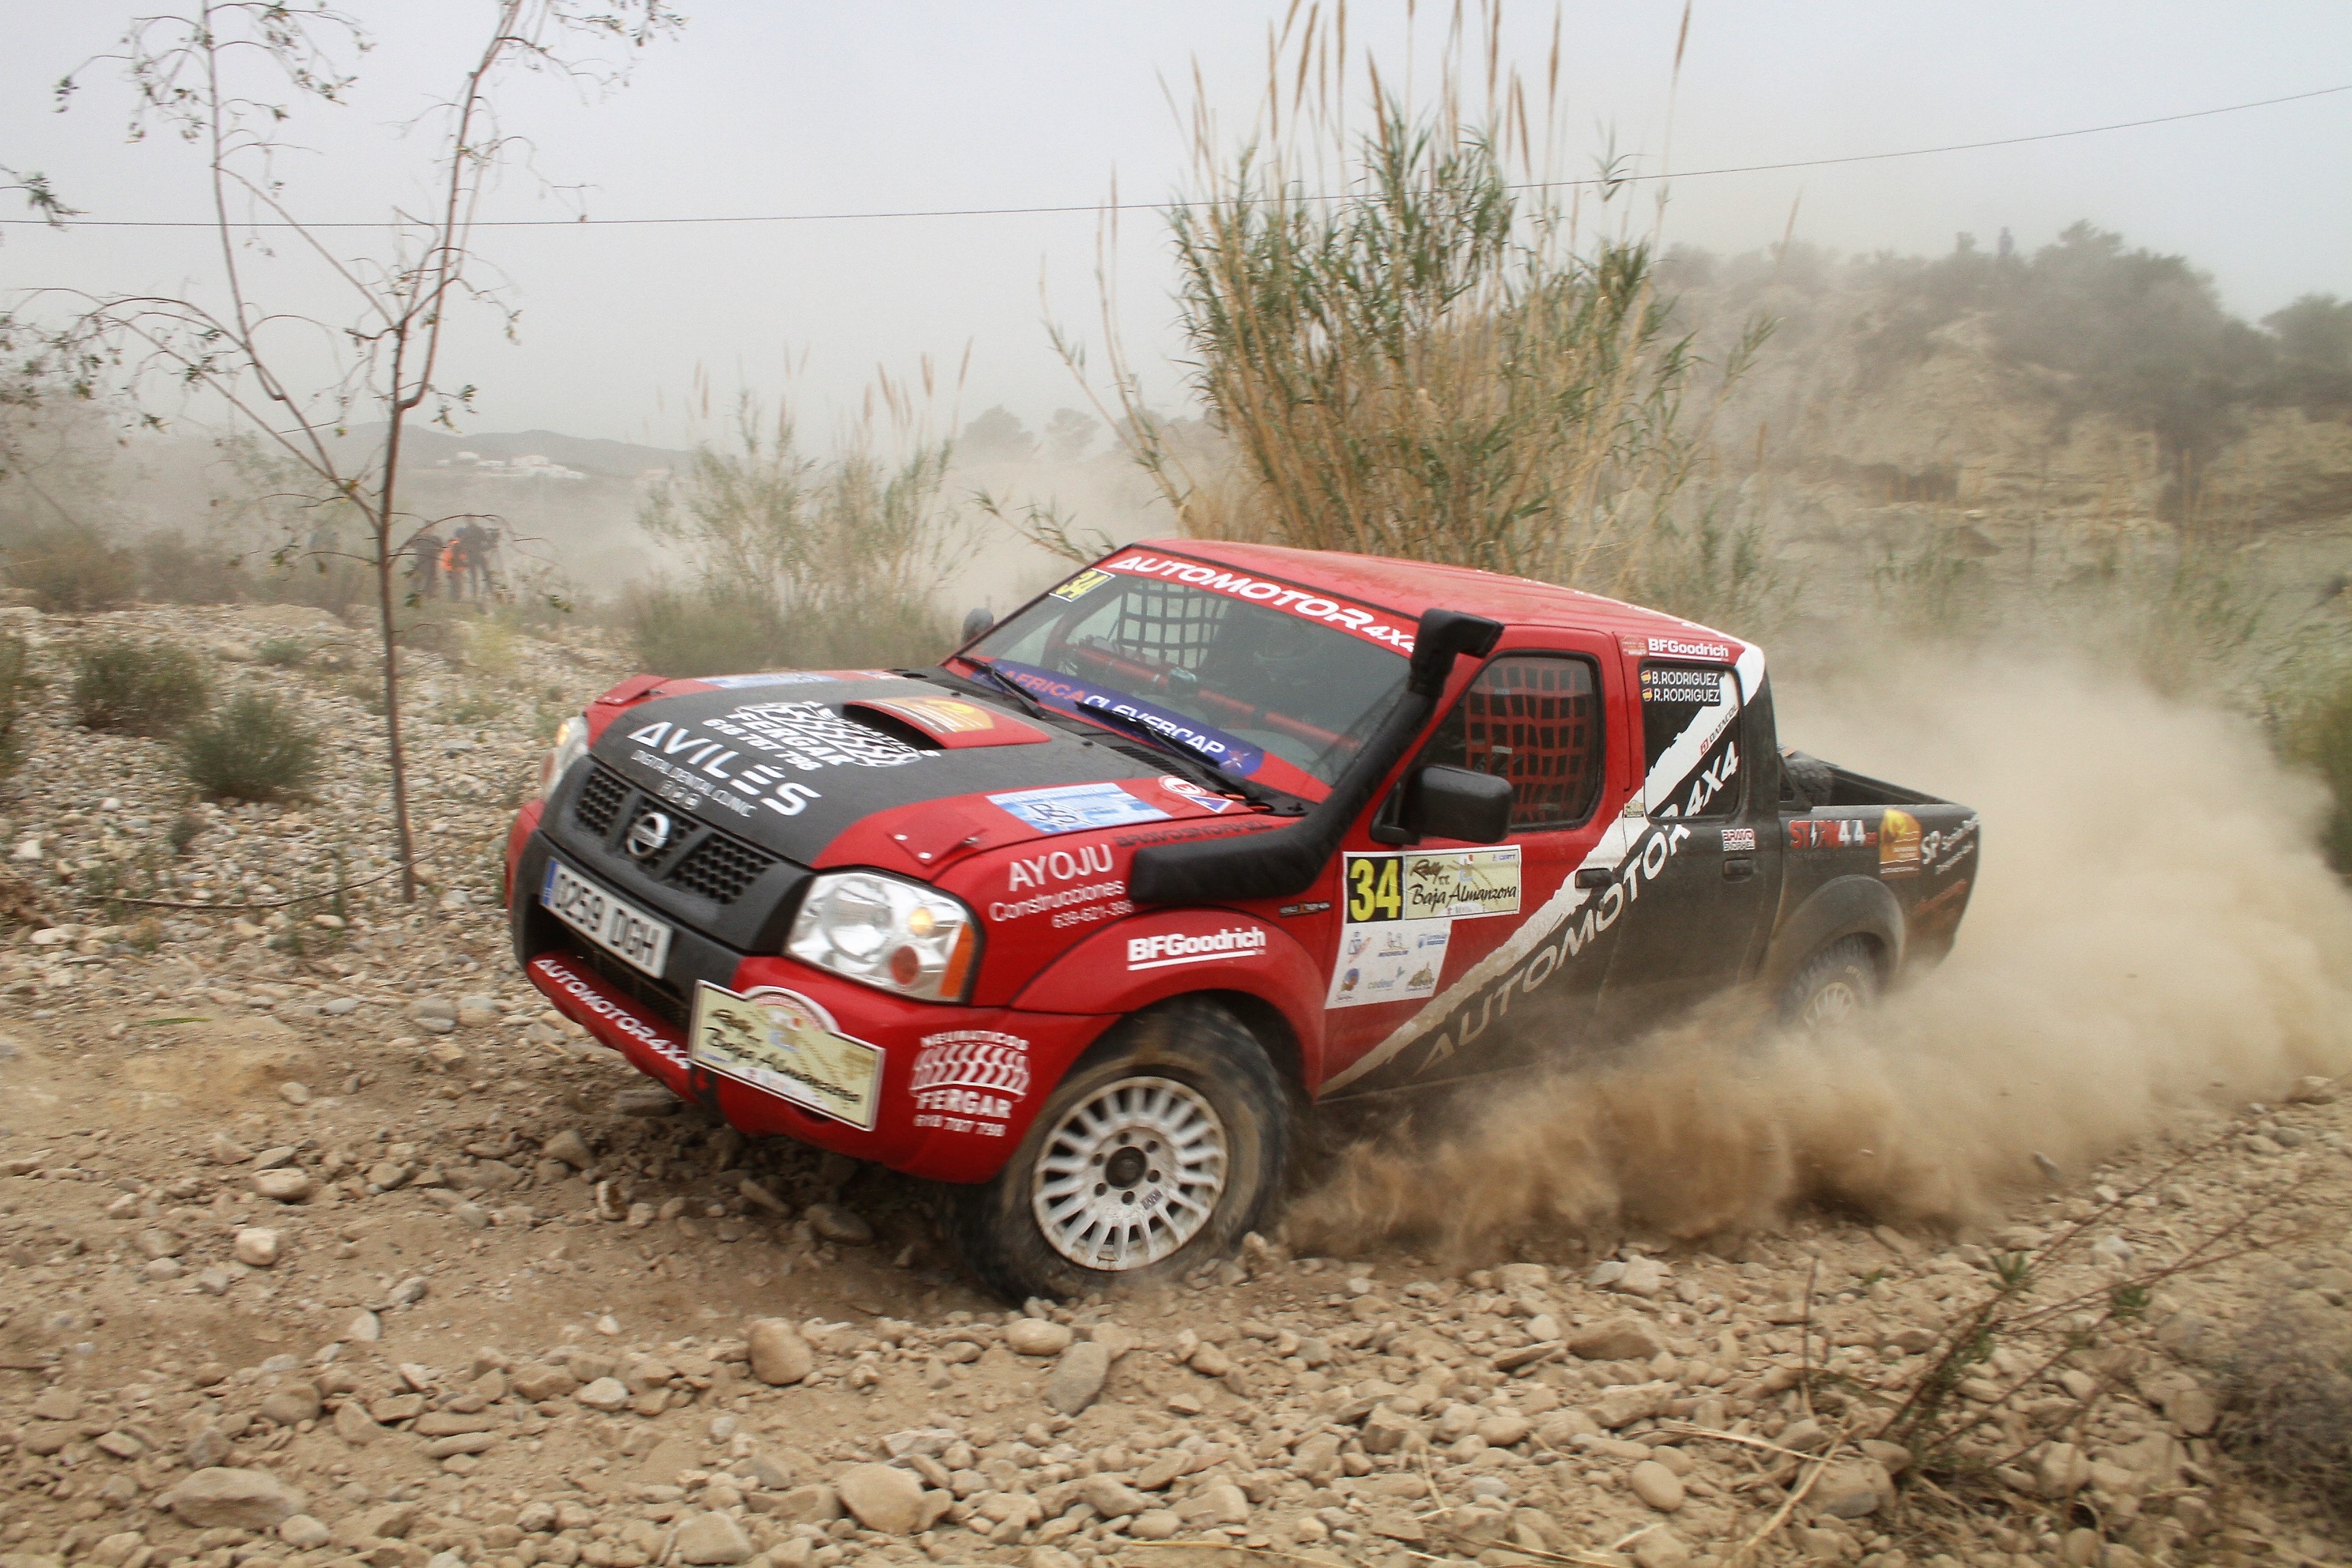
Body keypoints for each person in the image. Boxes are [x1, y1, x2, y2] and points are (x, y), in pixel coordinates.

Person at [406, 525, 444, 600]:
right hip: (421, 562)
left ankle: (429, 596)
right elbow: (410, 543)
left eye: (431, 529)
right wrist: (417, 535)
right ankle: (416, 594)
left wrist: (437, 550)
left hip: (432, 563)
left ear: (433, 530)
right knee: (417, 579)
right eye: (427, 529)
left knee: (432, 580)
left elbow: (442, 549)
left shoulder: (436, 539)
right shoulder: (420, 538)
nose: (429, 531)